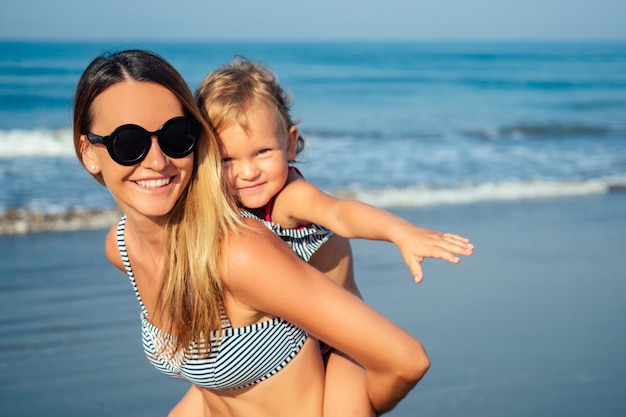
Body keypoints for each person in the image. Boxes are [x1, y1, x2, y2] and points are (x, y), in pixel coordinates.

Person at [74, 49, 430, 417]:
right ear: (89, 153)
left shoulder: (244, 248)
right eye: (128, 143)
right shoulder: (121, 248)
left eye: (175, 136)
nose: (157, 160)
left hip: (337, 356)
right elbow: (216, 380)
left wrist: (401, 232)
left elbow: (405, 359)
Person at [194, 57, 474, 416]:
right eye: (227, 159)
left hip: (340, 345)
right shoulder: (222, 201)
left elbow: (341, 213)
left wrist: (401, 232)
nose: (248, 172)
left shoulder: (288, 198)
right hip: (290, 346)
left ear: (290, 143)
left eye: (262, 151)